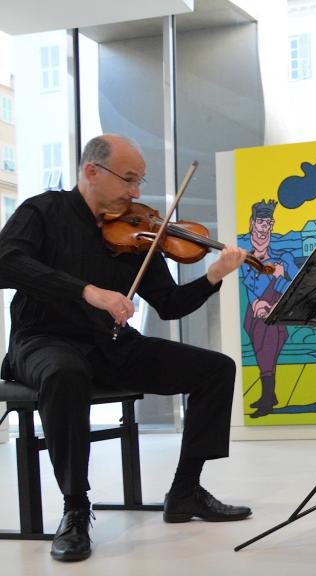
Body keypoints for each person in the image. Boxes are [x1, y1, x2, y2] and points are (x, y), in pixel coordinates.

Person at [0, 135, 253, 562]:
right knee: (65, 374)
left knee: (216, 369)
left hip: (109, 346)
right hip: (43, 341)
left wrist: (214, 276)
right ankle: (76, 509)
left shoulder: (138, 233)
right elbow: (6, 263)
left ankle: (185, 491)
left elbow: (170, 306)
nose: (136, 192)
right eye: (129, 179)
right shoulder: (43, 211)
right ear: (92, 171)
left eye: (140, 181)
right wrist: (87, 291)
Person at [239, 199, 299, 418]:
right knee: (260, 353)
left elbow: (299, 285)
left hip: (274, 314)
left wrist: (280, 279)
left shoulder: (284, 258)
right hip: (253, 315)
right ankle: (269, 396)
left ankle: (267, 400)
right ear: (252, 224)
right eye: (261, 223)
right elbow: (248, 286)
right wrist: (256, 303)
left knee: (267, 353)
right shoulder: (247, 258)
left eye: (269, 223)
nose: (265, 228)